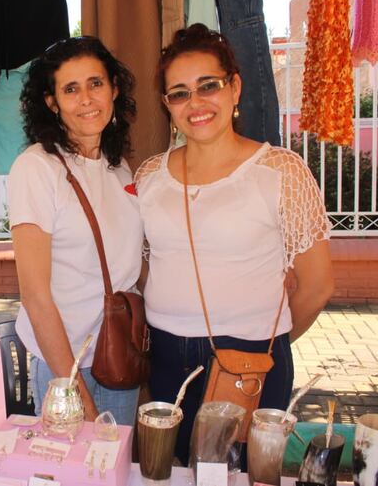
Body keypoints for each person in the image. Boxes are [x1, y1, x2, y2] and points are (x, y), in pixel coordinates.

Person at [135, 23, 334, 463]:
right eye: (180, 93)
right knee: (169, 470)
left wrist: (265, 344)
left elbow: (317, 285)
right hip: (166, 357)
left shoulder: (281, 171)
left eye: (209, 85)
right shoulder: (149, 175)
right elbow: (148, 264)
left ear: (235, 87)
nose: (196, 103)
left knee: (243, 474)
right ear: (167, 104)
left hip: (249, 362)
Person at [7, 36, 143, 426]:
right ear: (52, 103)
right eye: (71, 89)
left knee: (114, 472)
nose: (86, 99)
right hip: (64, 364)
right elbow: (35, 296)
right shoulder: (37, 169)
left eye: (95, 83)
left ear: (114, 89)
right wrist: (73, 389)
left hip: (119, 355)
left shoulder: (119, 169)